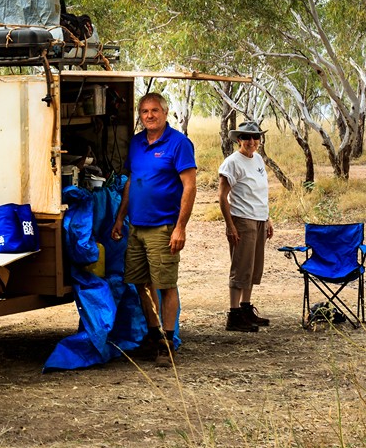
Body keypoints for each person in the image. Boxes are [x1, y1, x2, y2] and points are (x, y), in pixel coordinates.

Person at [110, 91, 197, 357]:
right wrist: (120, 218)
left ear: (165, 113)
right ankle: (153, 334)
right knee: (141, 283)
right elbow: (131, 182)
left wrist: (180, 228)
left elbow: (190, 186)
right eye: (145, 111)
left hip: (163, 227)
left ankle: (167, 342)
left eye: (154, 110)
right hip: (136, 227)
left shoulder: (179, 143)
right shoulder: (137, 143)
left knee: (165, 285)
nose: (149, 116)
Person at [218, 120, 274, 331]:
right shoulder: (232, 162)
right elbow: (222, 196)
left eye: (255, 137)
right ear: (238, 140)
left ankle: (245, 308)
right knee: (241, 267)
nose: (251, 141)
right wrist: (230, 225)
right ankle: (234, 315)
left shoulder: (257, 159)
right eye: (246, 137)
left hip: (259, 219)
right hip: (242, 219)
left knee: (252, 268)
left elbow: (260, 192)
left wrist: (267, 218)